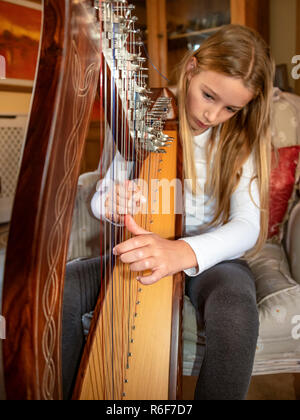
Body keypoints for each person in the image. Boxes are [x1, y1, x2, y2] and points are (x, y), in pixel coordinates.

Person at [91, 24, 275, 400]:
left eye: (231, 107)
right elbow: (101, 196)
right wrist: (110, 202)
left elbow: (246, 227)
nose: (212, 114)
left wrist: (184, 252)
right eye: (208, 95)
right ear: (190, 69)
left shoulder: (240, 137)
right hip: (144, 247)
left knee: (235, 310)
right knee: (68, 288)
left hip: (215, 256)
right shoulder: (145, 118)